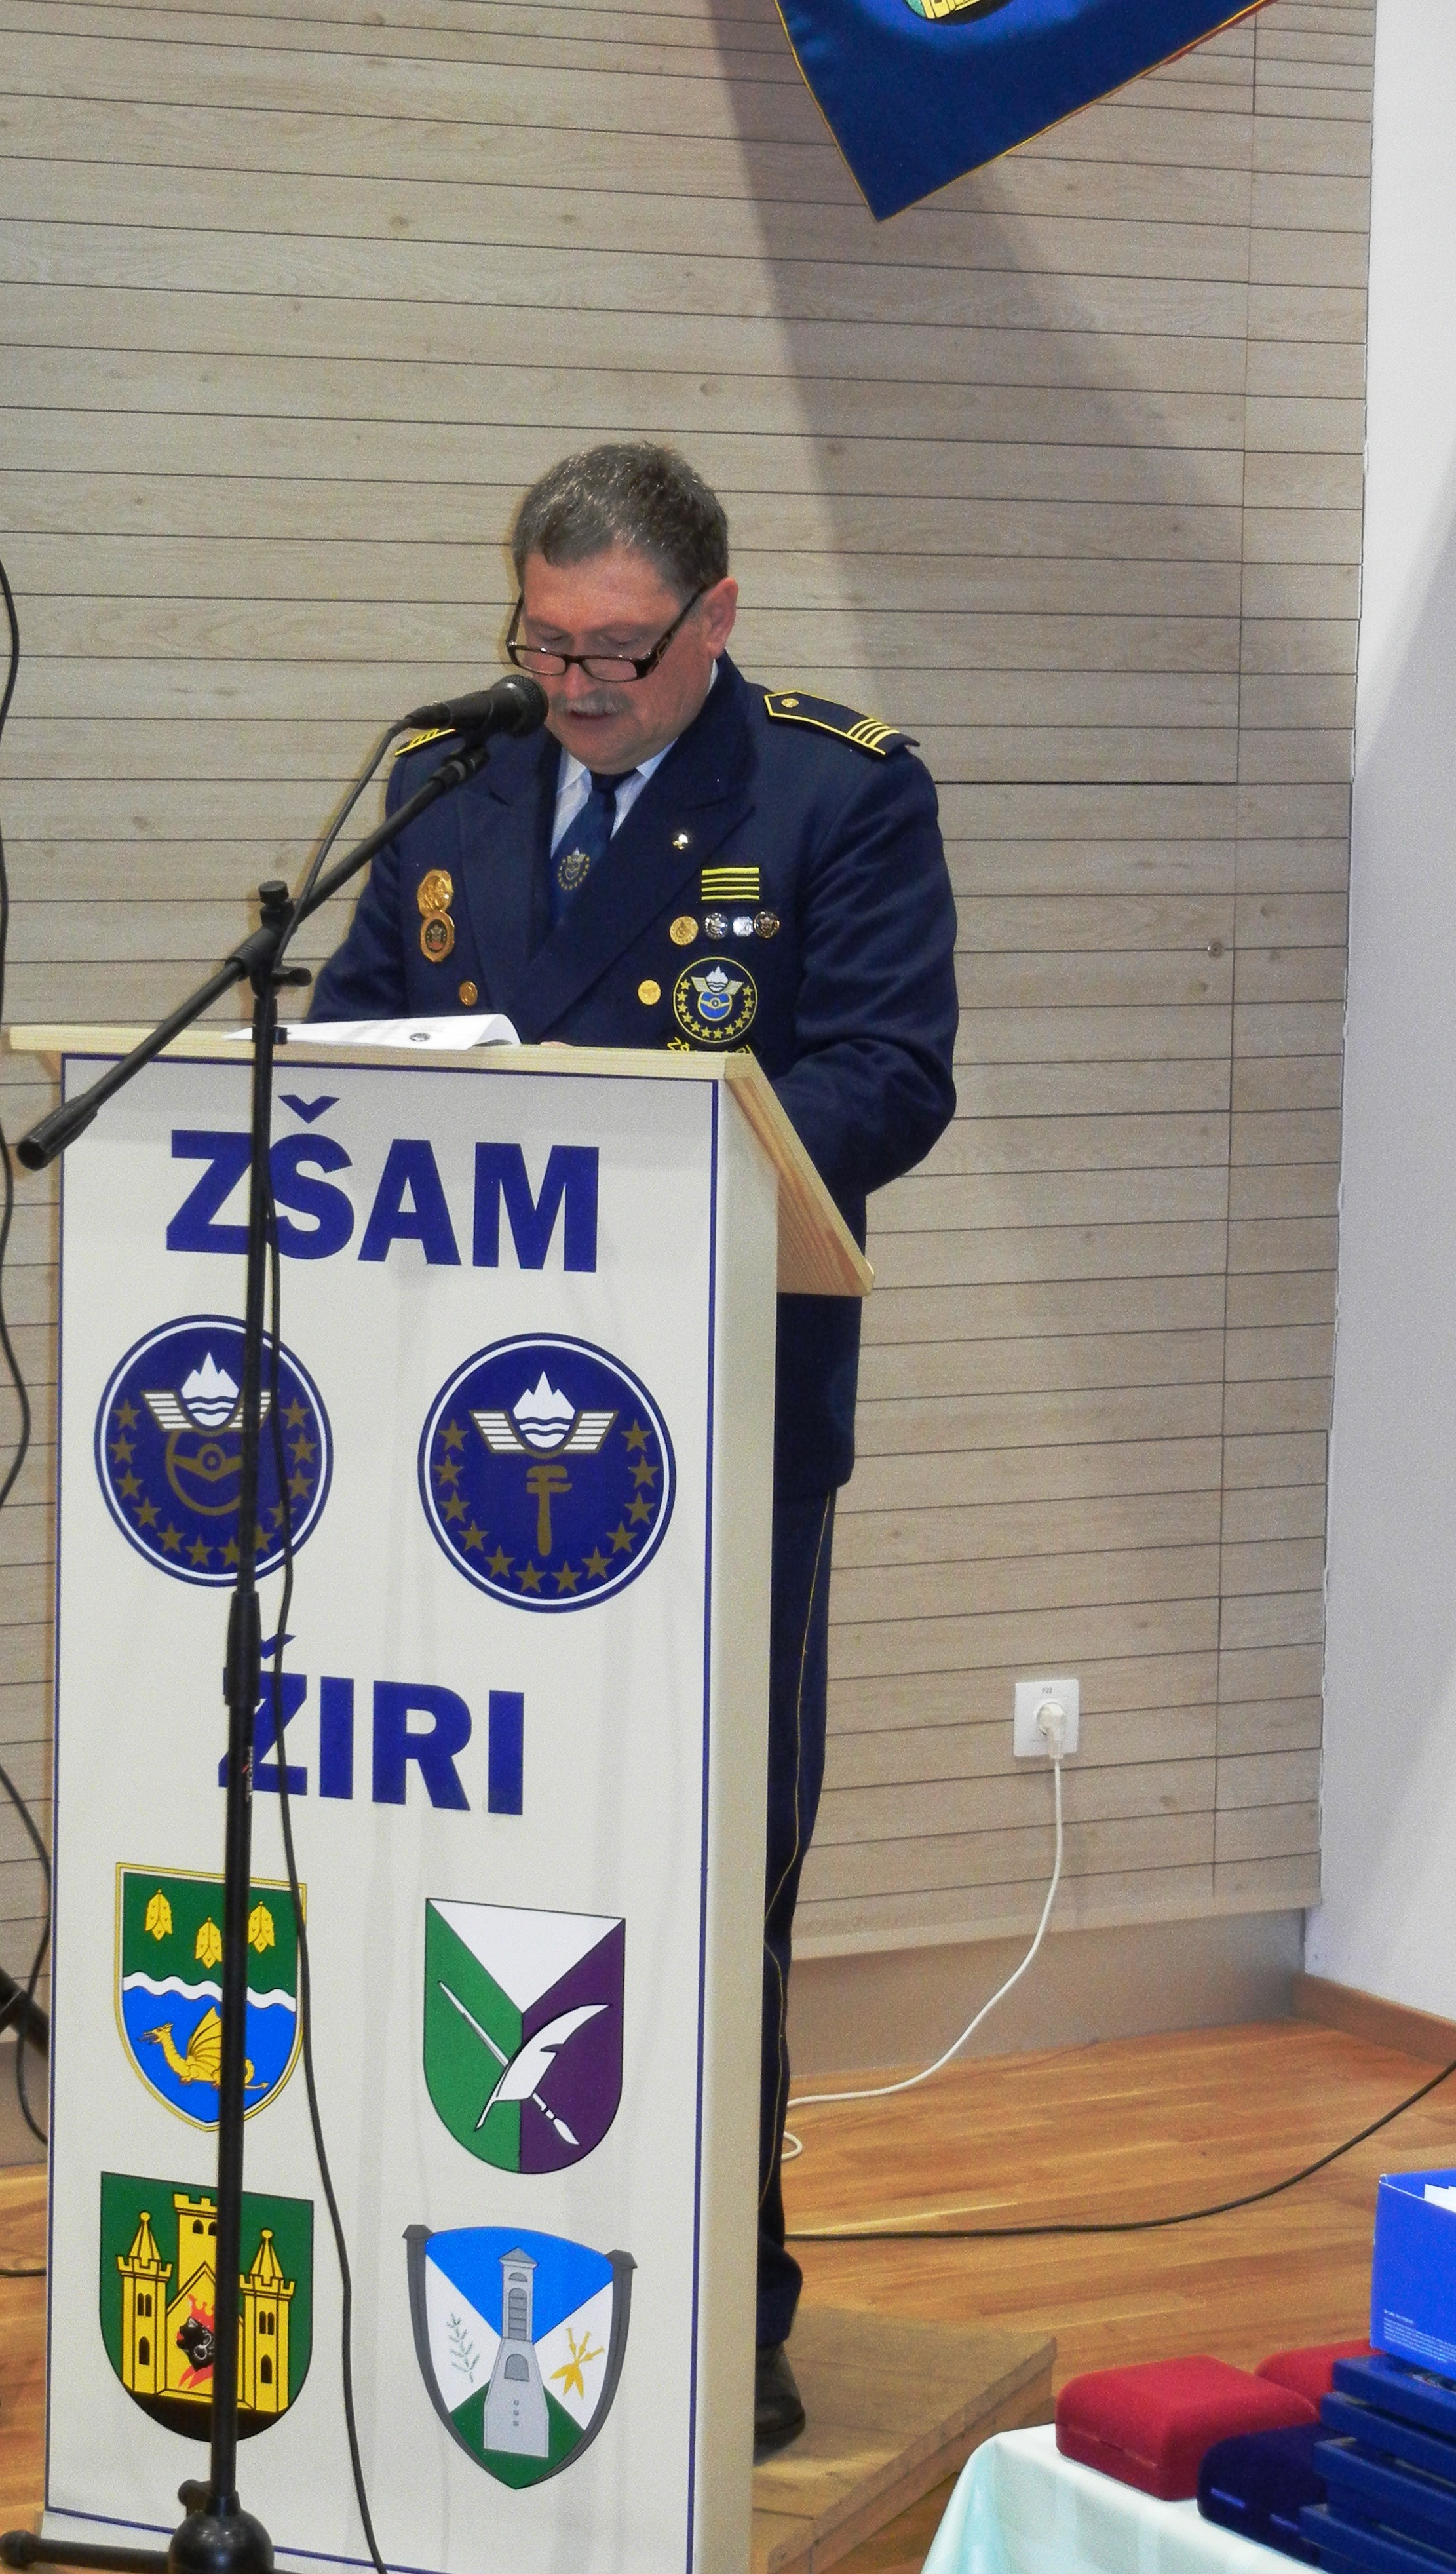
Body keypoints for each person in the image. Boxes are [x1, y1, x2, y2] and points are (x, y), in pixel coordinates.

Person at [310, 443, 958, 2455]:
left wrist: (645, 1157)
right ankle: (437, 2273)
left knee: (695, 1878)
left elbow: (889, 1076)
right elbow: (351, 1033)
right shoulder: (449, 777)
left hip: (710, 1429)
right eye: (544, 641)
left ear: (716, 618)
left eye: (615, 650)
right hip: (444, 1440)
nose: (574, 686)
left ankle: (716, 2314)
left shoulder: (837, 793)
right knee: (468, 1867)